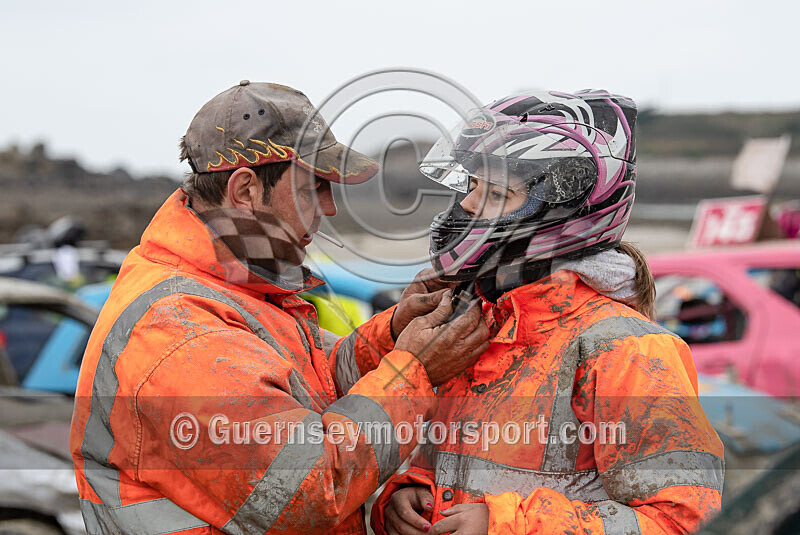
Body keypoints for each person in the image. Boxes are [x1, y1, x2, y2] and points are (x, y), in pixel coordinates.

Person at [69, 81, 490, 534]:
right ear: (246, 190)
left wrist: (390, 335)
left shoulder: (233, 286)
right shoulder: (184, 334)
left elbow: (305, 388)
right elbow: (308, 488)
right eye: (315, 187)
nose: (328, 208)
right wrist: (414, 374)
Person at [371, 90, 724, 534]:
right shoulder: (473, 324)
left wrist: (507, 527)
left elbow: (683, 520)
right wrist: (412, 493)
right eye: (472, 185)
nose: (466, 205)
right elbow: (469, 467)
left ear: (561, 211)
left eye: (496, 192)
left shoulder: (625, 350)